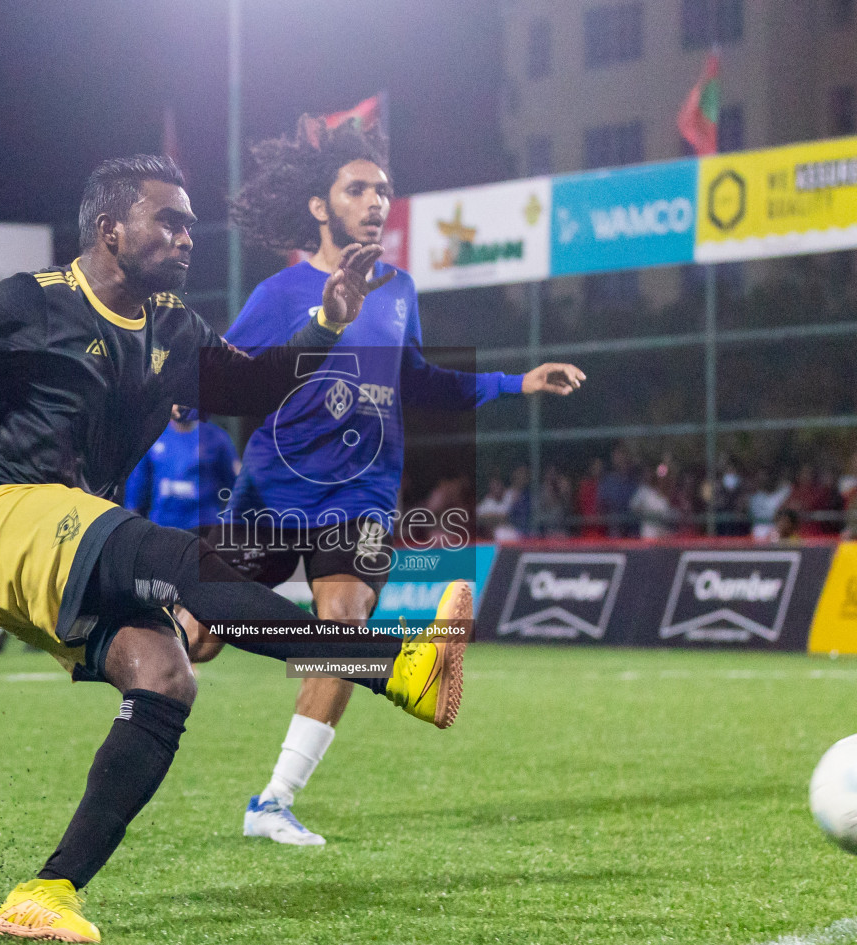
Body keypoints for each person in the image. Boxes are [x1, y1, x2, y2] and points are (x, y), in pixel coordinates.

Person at [0, 155, 471, 945]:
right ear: (109, 230)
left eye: (192, 223)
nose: (187, 236)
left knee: (166, 676)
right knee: (182, 560)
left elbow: (252, 388)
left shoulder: (173, 324)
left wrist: (328, 320)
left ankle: (48, 891)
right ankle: (396, 667)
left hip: (68, 530)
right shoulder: (30, 303)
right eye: (168, 220)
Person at [182, 115, 584, 847]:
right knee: (199, 637)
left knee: (344, 623)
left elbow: (420, 379)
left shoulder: (398, 289)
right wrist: (184, 394)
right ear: (319, 204)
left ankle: (273, 801)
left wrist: (515, 381)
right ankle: (106, 636)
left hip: (362, 495)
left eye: (384, 190)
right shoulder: (280, 293)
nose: (375, 201)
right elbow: (227, 375)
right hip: (273, 492)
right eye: (358, 188)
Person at [125, 405, 239, 530]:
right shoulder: (153, 436)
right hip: (162, 526)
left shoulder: (216, 438)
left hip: (204, 526)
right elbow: (136, 487)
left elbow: (237, 485)